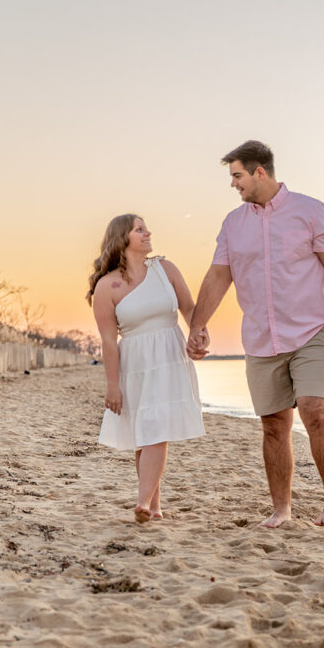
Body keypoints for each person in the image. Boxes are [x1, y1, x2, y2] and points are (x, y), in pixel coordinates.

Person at [187, 140, 324, 528]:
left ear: (260, 173)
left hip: (312, 328)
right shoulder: (233, 224)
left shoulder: (311, 211)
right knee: (273, 425)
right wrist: (197, 324)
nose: (233, 184)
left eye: (237, 175)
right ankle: (281, 509)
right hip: (261, 336)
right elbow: (218, 277)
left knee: (315, 409)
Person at [87, 214, 205, 523]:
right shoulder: (106, 286)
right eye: (140, 229)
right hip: (135, 363)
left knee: (156, 429)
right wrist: (112, 385)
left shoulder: (165, 270)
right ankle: (154, 506)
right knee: (145, 432)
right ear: (123, 238)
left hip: (169, 356)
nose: (148, 232)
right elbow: (109, 342)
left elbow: (190, 309)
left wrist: (198, 334)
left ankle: (144, 502)